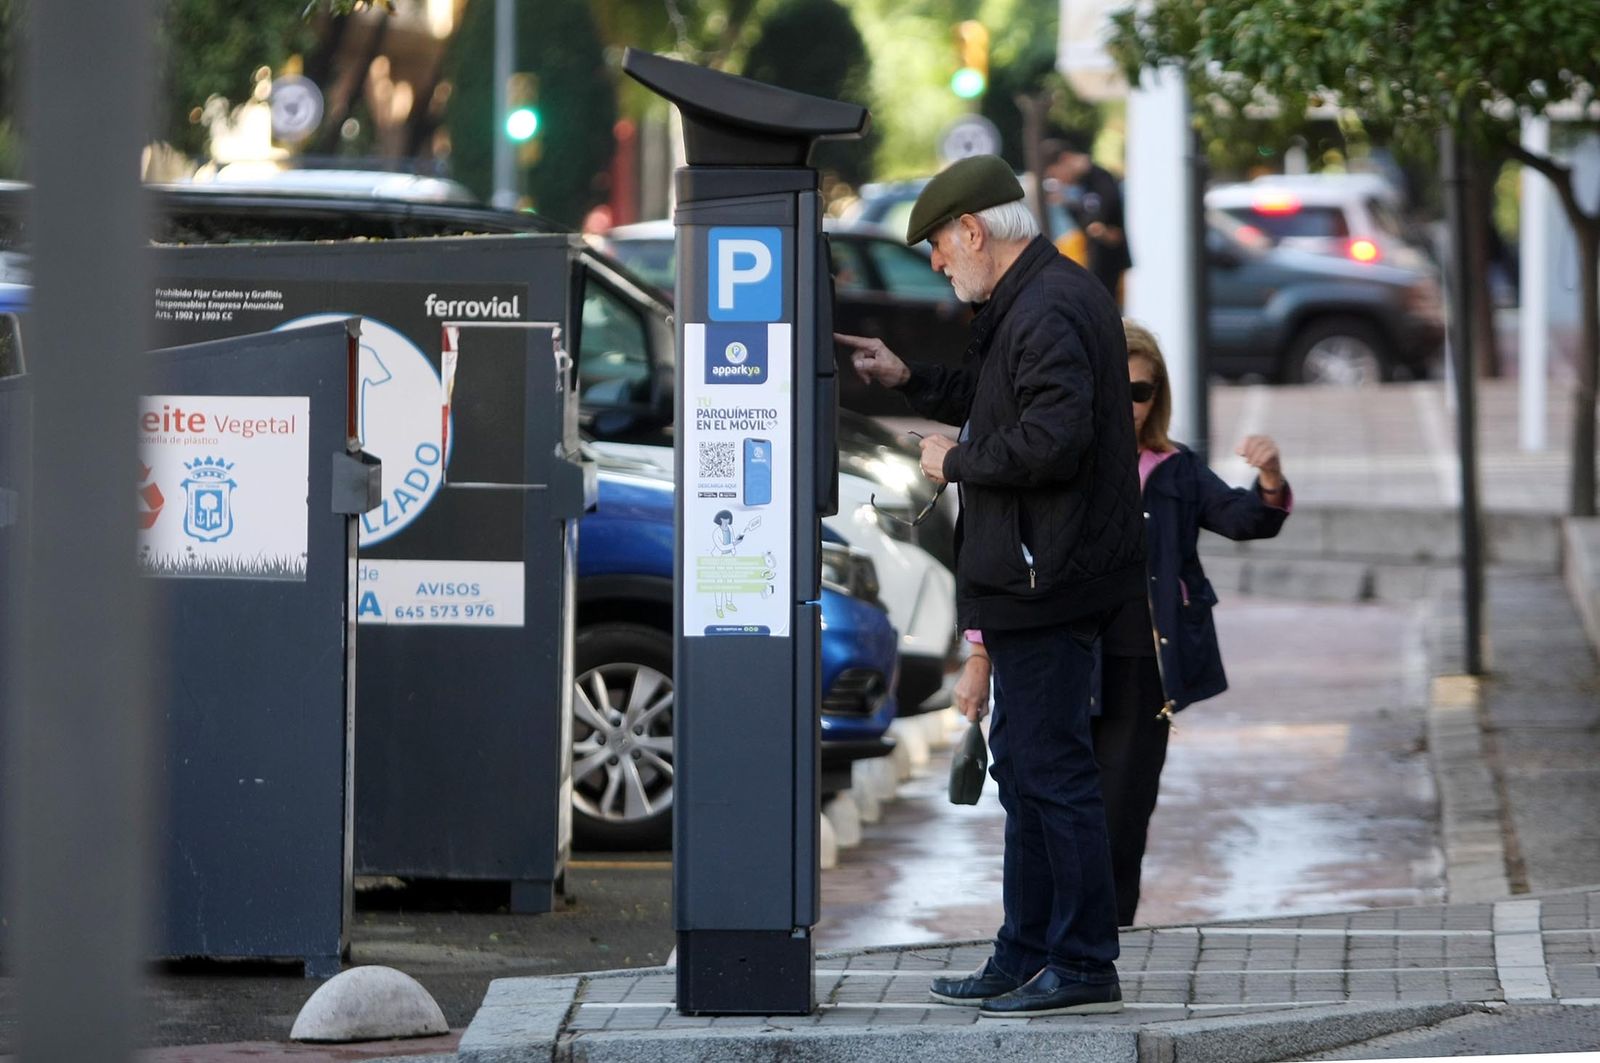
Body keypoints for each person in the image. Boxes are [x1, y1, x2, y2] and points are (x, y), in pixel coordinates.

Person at [834, 154, 1145, 1018]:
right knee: (1028, 767)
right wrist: (910, 380)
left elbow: (1054, 439)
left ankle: (1080, 959)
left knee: (1050, 769)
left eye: (938, 245)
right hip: (1039, 575)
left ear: (974, 231)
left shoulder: (1047, 306)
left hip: (1052, 578)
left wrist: (957, 458)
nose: (935, 262)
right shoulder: (1032, 297)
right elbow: (995, 394)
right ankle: (1025, 950)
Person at [1096, 320, 1291, 927]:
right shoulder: (1066, 459)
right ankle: (1052, 930)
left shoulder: (1175, 468)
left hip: (1146, 665)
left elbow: (1242, 519)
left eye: (1141, 392)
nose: (1128, 404)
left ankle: (1108, 932)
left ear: (1158, 397)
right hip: (1073, 655)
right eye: (1115, 387)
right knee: (1061, 803)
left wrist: (1270, 479)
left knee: (1126, 806)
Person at [1041, 135, 1132, 304]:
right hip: (1096, 264)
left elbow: (1101, 222)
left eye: (1056, 174)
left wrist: (1098, 228)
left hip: (1110, 268)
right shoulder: (1082, 186)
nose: (1061, 180)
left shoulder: (1101, 180)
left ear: (1065, 159)